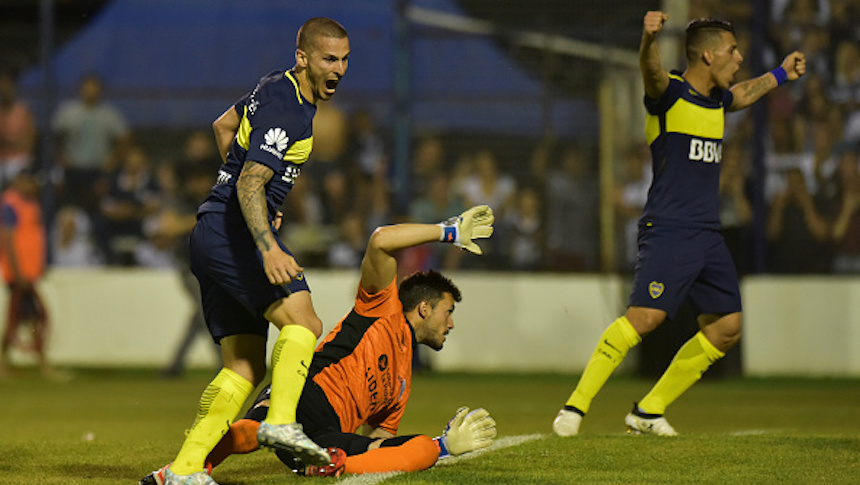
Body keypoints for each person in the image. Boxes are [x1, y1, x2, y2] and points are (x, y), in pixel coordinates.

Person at [552, 11, 807, 436]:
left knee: (726, 328)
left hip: (707, 234)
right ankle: (574, 408)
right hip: (669, 228)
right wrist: (648, 39)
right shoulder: (669, 93)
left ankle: (648, 411)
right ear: (707, 56)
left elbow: (741, 95)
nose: (740, 58)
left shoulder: (716, 101)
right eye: (732, 51)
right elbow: (649, 73)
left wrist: (780, 73)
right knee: (644, 318)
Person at [141, 205, 496, 482]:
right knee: (247, 434)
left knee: (421, 449)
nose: (450, 323)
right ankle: (178, 471)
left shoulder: (403, 384)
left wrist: (441, 449)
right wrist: (447, 231)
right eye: (447, 312)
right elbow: (380, 240)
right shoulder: (381, 308)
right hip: (304, 392)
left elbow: (377, 445)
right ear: (423, 307)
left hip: (326, 437)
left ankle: (328, 466)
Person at [158, 18, 351, 485]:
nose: (340, 69)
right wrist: (265, 245)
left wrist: (255, 203)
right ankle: (281, 422)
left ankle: (182, 471)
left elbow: (223, 125)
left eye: (345, 59)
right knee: (304, 322)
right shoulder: (289, 105)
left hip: (214, 228)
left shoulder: (272, 86)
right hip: (232, 233)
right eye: (329, 58)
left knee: (243, 365)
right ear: (302, 57)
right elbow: (249, 179)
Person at [0, 171, 51, 378]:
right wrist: (18, 273)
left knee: (22, 319)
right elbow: (8, 241)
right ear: (19, 182)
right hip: (18, 275)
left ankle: (5, 363)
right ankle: (44, 366)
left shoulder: (31, 204)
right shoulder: (10, 205)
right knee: (29, 318)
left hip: (29, 273)